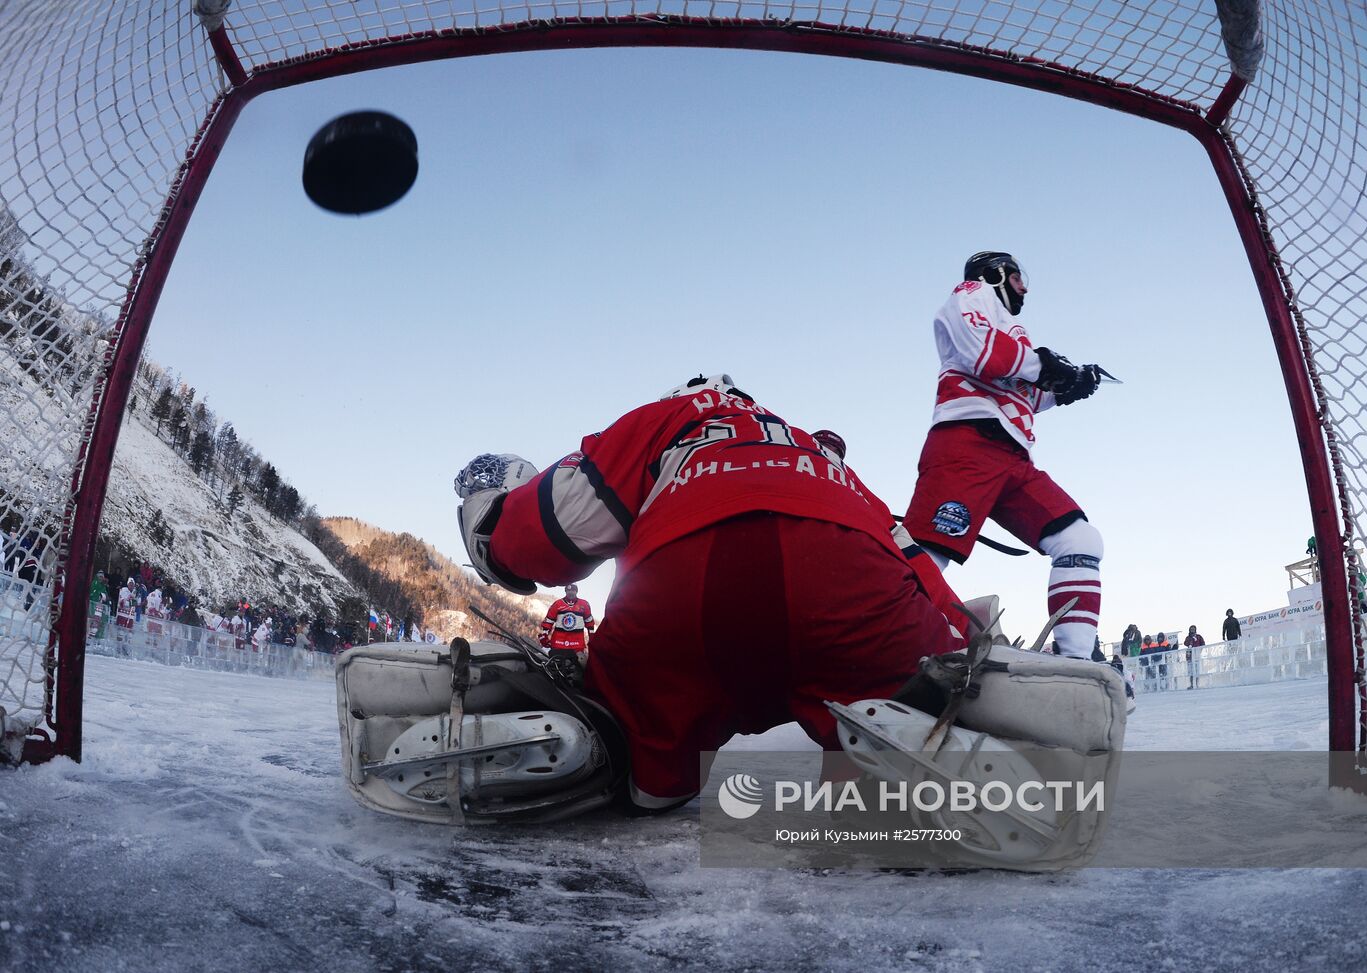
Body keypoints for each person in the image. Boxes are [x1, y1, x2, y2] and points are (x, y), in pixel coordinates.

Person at [454, 374, 967, 812]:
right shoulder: (816, 452)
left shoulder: (671, 417)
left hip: (686, 591)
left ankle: (621, 764)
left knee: (638, 763)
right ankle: (901, 778)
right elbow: (917, 568)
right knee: (905, 720)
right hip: (854, 587)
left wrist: (497, 536)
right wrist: (964, 642)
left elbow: (554, 530)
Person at [903, 251, 1108, 660]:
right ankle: (879, 654)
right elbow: (986, 355)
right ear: (996, 272)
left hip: (1012, 456)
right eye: (1018, 277)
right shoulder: (972, 293)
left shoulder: (1013, 328)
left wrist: (1063, 389)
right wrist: (1047, 366)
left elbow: (1018, 389)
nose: (1025, 287)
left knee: (1079, 540)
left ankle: (1077, 663)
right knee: (926, 556)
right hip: (968, 442)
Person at [539, 583, 595, 660]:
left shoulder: (584, 604)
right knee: (556, 665)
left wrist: (592, 637)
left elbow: (589, 622)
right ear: (565, 591)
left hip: (577, 644)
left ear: (576, 591)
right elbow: (548, 621)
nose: (571, 592)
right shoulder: (557, 604)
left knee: (577, 667)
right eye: (568, 590)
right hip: (558, 643)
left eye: (573, 590)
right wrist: (544, 635)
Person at [1183, 624, 1204, 689]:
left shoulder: (1198, 636)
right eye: (1191, 629)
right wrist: (1190, 640)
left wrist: (1199, 649)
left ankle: (1197, 684)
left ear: (1195, 630)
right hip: (1189, 655)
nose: (1192, 630)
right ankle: (1192, 685)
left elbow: (1203, 643)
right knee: (1191, 671)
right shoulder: (1188, 637)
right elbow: (1185, 643)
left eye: (1193, 629)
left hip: (1196, 655)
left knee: (1197, 670)